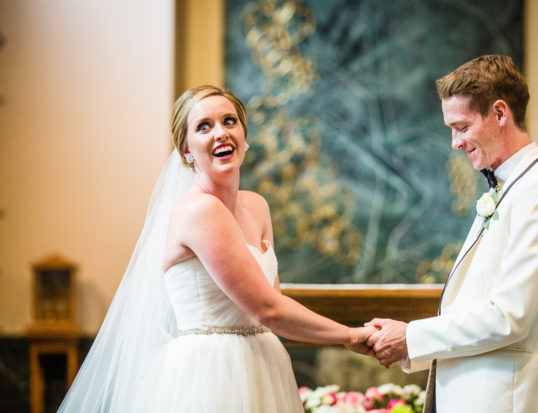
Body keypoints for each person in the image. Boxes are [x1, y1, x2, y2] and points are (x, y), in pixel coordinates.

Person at [58, 85, 375, 412]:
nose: (221, 133)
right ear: (186, 151)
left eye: (229, 121)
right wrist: (348, 336)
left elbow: (274, 307)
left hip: (263, 364)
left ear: (244, 134)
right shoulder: (198, 211)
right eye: (204, 127)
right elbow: (268, 309)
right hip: (210, 373)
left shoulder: (257, 206)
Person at [366, 55, 538, 413]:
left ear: (499, 114)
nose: (454, 142)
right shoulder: (508, 188)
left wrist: (410, 337)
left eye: (462, 127)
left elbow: (509, 316)